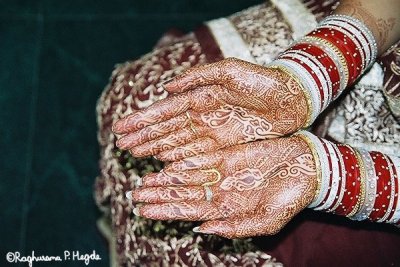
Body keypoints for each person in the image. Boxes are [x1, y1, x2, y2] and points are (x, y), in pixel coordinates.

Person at [95, 0, 400, 265]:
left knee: (205, 245)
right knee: (138, 96)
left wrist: (332, 175)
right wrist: (303, 80)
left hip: (384, 184)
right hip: (376, 45)